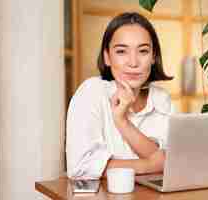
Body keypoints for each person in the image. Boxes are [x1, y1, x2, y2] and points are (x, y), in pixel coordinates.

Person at [66, 12, 175, 179]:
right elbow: (80, 167)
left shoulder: (161, 99)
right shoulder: (91, 92)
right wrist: (147, 165)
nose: (133, 62)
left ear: (153, 57)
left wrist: (122, 122)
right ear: (107, 57)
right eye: (122, 51)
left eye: (143, 51)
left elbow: (169, 161)